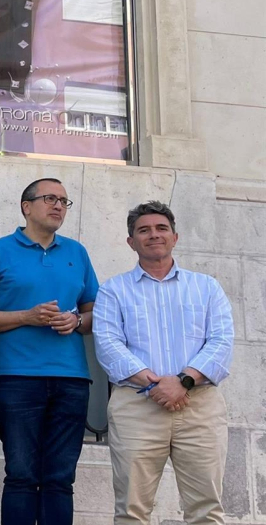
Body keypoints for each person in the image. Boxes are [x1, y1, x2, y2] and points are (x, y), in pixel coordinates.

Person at [93, 201, 234, 525]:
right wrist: (156, 383)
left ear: (175, 237)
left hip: (199, 405)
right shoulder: (114, 290)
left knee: (207, 510)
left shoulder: (207, 287)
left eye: (161, 229)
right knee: (131, 510)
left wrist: (182, 381)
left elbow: (222, 341)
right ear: (131, 242)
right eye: (144, 230)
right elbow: (108, 344)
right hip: (137, 405)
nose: (153, 235)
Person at [0, 178, 99, 524]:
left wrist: (75, 321)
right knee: (22, 475)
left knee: (60, 478)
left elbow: (95, 314)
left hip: (72, 378)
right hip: (15, 377)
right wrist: (25, 316)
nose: (58, 206)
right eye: (50, 198)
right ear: (26, 206)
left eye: (64, 201)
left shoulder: (77, 252)